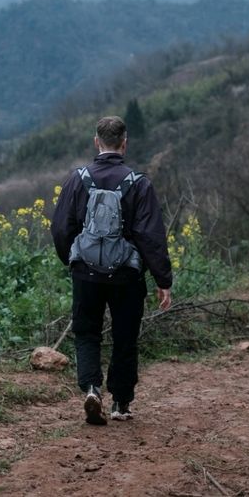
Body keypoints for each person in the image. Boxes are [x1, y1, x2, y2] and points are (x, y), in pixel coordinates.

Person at [51, 115, 172, 425]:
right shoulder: (139, 183)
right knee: (125, 336)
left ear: (96, 142)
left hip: (86, 274)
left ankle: (92, 388)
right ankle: (120, 402)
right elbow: (151, 236)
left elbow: (61, 228)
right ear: (124, 143)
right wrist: (162, 279)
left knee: (86, 332)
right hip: (126, 276)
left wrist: (73, 260)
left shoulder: (78, 179)